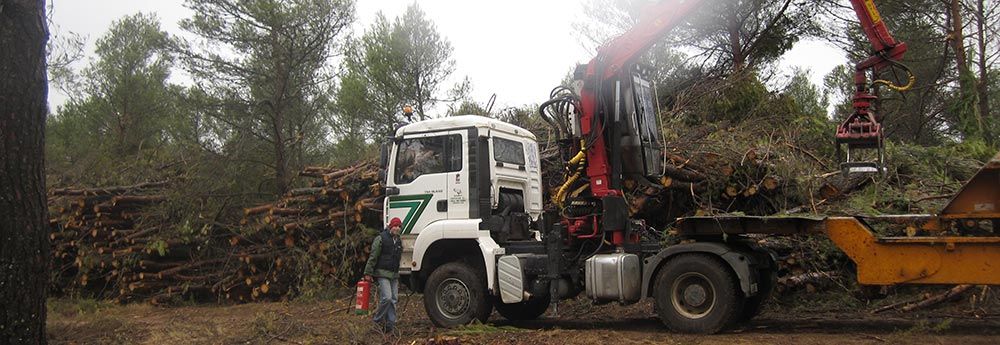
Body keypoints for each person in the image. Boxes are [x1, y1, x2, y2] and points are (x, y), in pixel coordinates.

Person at [363, 217, 404, 332]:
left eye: (399, 226)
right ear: (390, 226)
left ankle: (390, 325)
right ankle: (377, 320)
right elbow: (373, 256)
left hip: (394, 274)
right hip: (382, 273)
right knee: (387, 297)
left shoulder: (399, 241)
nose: (397, 228)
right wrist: (368, 272)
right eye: (395, 226)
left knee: (394, 299)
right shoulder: (381, 238)